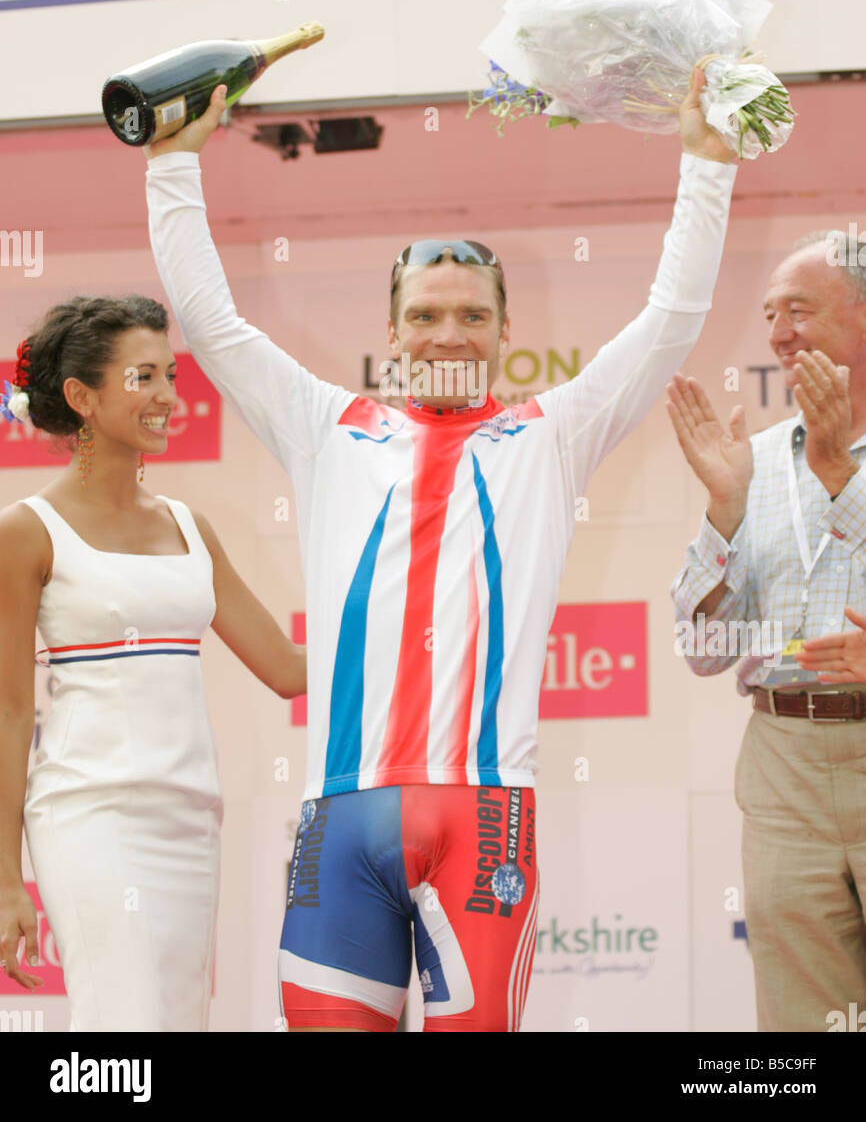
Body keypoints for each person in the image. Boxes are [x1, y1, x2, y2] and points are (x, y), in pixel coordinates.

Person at [143, 68, 738, 1032]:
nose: (447, 333)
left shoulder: (553, 433)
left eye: (471, 315)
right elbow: (212, 324)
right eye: (425, 314)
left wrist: (706, 164)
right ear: (391, 330)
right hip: (341, 818)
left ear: (507, 331)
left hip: (485, 817)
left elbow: (669, 319)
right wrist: (172, 162)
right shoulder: (327, 428)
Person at [0, 295, 307, 1030]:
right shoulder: (24, 531)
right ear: (81, 397)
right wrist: (7, 880)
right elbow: (10, 713)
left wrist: (419, 622)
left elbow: (288, 669)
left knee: (171, 1026)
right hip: (90, 815)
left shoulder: (187, 528)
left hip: (191, 819)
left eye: (171, 375)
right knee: (124, 1027)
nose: (171, 397)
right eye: (145, 378)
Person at [667, 226, 866, 1032]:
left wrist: (837, 478)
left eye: (801, 310)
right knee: (804, 1023)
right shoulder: (751, 462)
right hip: (784, 769)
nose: (779, 333)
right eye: (770, 313)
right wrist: (722, 514)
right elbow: (705, 653)